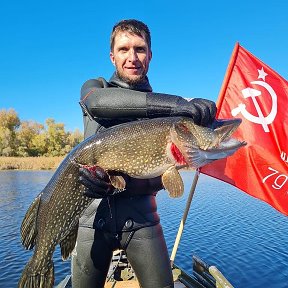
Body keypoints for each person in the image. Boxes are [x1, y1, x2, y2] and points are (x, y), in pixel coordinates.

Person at [72, 19, 217, 288]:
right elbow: (97, 104)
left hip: (142, 219)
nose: (132, 57)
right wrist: (180, 105)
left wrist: (175, 162)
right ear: (112, 56)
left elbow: (156, 178)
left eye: (139, 49)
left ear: (150, 54)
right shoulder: (95, 87)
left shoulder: (164, 117)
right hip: (92, 219)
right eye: (124, 49)